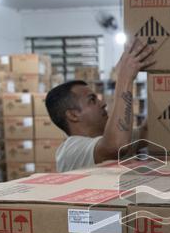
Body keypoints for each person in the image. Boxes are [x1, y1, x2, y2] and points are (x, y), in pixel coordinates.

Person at [46, 37, 156, 171]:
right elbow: (117, 145)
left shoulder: (105, 138)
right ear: (73, 115)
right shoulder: (70, 150)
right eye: (92, 100)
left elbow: (148, 133)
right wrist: (124, 78)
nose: (103, 103)